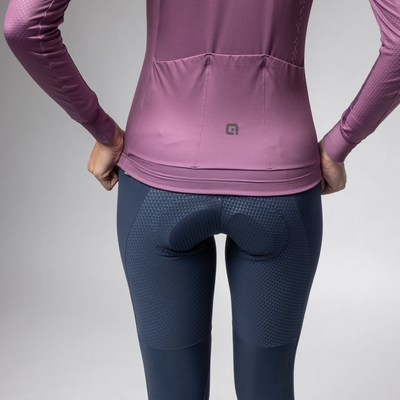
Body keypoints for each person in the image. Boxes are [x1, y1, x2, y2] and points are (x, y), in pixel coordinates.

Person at [3, 0, 399, 399]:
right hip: (278, 179)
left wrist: (101, 128)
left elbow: (24, 25)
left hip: (160, 181)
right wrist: (340, 142)